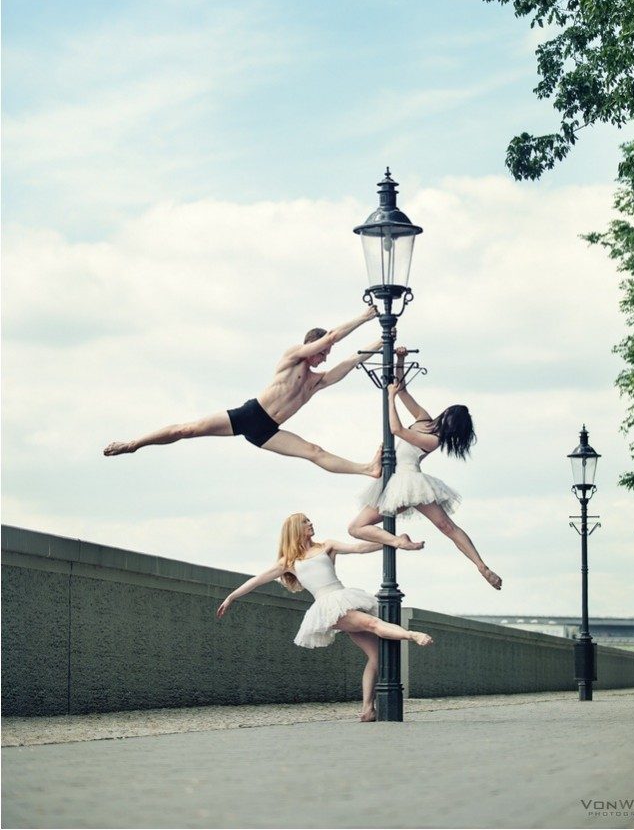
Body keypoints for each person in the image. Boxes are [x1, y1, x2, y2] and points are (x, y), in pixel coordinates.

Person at [104, 306, 382, 477]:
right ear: (310, 345)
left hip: (268, 430)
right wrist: (365, 317)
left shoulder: (316, 382)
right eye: (322, 352)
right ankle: (133, 444)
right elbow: (332, 335)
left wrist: (383, 340)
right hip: (250, 415)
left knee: (314, 451)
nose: (324, 358)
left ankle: (366, 469)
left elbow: (351, 361)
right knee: (187, 430)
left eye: (326, 355)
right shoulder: (292, 358)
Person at [216, 513, 433, 722]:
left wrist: (394, 542)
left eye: (309, 520)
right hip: (328, 606)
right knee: (373, 623)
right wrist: (231, 597)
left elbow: (359, 548)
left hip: (344, 597)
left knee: (376, 657)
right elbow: (257, 580)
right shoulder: (289, 561)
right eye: (305, 521)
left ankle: (368, 710)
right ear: (295, 529)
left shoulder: (327, 546)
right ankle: (412, 635)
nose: (310, 523)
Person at [349, 347, 503, 590]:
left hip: (408, 482)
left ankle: (480, 566)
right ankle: (400, 541)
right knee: (357, 528)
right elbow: (402, 388)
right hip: (393, 480)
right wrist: (400, 359)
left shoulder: (434, 440)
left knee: (445, 526)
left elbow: (397, 430)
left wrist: (389, 398)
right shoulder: (424, 419)